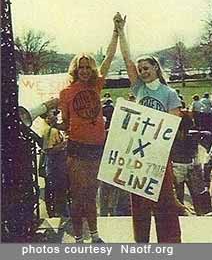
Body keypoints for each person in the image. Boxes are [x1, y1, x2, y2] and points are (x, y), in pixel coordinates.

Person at [50, 15, 119, 243]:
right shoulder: (66, 92)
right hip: (77, 148)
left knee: (93, 194)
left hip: (98, 146)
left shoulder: (97, 85)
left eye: (88, 67)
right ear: (75, 69)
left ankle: (95, 235)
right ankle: (79, 236)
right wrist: (52, 123)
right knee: (78, 195)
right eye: (81, 68)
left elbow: (108, 57)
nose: (84, 71)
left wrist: (116, 32)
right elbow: (65, 124)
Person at [116, 13, 182, 243]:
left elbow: (172, 126)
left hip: (160, 156)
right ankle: (141, 243)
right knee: (139, 204)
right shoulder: (138, 89)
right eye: (140, 69)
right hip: (138, 155)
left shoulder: (169, 94)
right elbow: (126, 58)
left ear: (156, 67)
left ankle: (170, 244)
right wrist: (121, 31)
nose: (142, 72)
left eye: (146, 68)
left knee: (165, 202)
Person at [41, 110, 69, 219]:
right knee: (58, 190)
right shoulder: (50, 131)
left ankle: (58, 212)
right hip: (56, 166)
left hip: (56, 165)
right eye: (53, 115)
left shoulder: (53, 130)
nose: (56, 117)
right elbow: (49, 150)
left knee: (57, 190)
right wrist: (65, 143)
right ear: (47, 118)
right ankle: (59, 213)